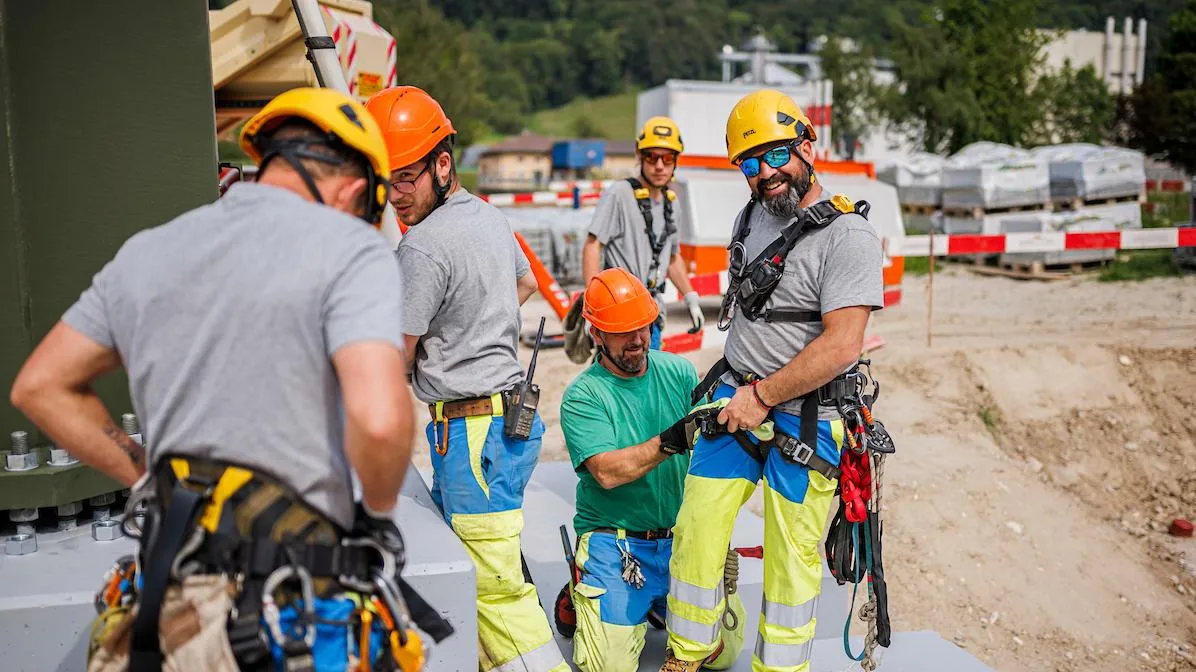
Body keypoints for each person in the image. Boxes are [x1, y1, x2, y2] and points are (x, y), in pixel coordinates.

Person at [10, 87, 422, 670]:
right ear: (355, 190)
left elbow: (39, 386)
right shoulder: (350, 248)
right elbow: (380, 424)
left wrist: (139, 471)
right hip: (292, 609)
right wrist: (376, 522)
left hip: (172, 606)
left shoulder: (148, 251)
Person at [659, 89, 884, 672]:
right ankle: (690, 653)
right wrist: (744, 393)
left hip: (806, 419)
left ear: (808, 145)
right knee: (696, 529)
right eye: (749, 163)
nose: (765, 173)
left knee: (789, 567)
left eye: (775, 154)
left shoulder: (848, 237)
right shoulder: (754, 214)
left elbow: (842, 344)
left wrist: (761, 396)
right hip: (738, 403)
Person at [365, 85, 568, 672]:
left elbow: (391, 360)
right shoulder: (486, 216)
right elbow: (523, 283)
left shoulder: (422, 249)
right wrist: (473, 327)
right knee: (490, 573)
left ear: (442, 163)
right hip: (507, 424)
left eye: (406, 177)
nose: (395, 196)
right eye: (386, 181)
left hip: (472, 434)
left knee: (496, 590)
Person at [558, 268, 744, 672]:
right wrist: (672, 439)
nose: (639, 340)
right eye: (624, 332)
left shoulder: (677, 372)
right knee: (608, 667)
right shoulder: (583, 396)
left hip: (680, 541)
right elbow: (607, 472)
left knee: (723, 656)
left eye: (643, 326)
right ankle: (588, 585)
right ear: (596, 334)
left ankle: (655, 604)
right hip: (619, 543)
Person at [580, 117, 703, 350]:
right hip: (618, 316)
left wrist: (691, 297)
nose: (659, 166)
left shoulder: (672, 203)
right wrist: (591, 308)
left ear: (676, 161)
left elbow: (672, 258)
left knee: (646, 382)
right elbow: (592, 244)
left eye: (667, 159)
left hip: (652, 315)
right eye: (651, 157)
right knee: (619, 383)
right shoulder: (620, 194)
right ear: (640, 156)